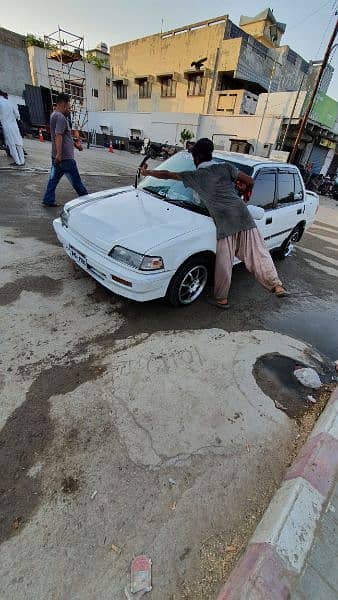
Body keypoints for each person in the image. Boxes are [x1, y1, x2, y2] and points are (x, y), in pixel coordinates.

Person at [141, 137, 288, 308]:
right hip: (242, 213)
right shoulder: (225, 168)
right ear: (210, 155)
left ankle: (222, 299)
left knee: (224, 264)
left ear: (196, 158)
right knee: (259, 253)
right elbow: (250, 181)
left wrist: (147, 173)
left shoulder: (196, 176)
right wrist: (243, 189)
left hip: (224, 220)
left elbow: (167, 175)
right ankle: (276, 285)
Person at [42, 92, 88, 207]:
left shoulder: (54, 115)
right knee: (77, 182)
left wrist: (75, 145)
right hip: (65, 158)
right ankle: (88, 202)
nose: (69, 109)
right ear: (63, 104)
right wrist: (59, 154)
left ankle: (48, 200)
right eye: (69, 106)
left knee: (53, 180)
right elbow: (58, 136)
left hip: (57, 157)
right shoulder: (61, 117)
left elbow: (64, 136)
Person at [0, 90, 25, 166]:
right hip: (14, 125)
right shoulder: (10, 102)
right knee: (18, 142)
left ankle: (17, 162)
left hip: (6, 125)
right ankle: (22, 161)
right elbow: (17, 115)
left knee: (11, 144)